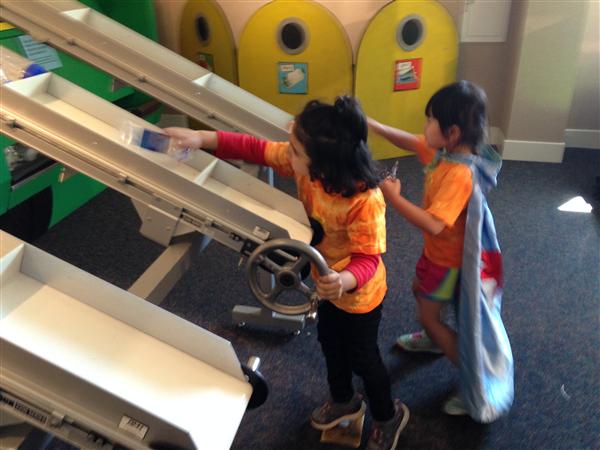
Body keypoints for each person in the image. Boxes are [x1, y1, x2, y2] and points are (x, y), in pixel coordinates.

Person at [164, 96, 409, 450]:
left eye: (294, 150)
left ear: (323, 162)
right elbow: (255, 148)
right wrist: (201, 138)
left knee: (364, 359)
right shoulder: (307, 167)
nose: (286, 152)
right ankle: (343, 401)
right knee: (330, 346)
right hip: (326, 288)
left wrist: (343, 281)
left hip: (360, 298)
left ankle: (388, 416)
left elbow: (368, 260)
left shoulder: (364, 200)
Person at [369, 80, 509, 417]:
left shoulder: (459, 174)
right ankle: (435, 340)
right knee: (419, 288)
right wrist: (372, 125)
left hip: (445, 262)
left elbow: (434, 223)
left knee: (429, 318)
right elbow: (408, 140)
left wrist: (394, 198)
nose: (425, 126)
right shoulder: (445, 154)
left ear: (452, 132)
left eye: (431, 120)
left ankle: (474, 378)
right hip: (436, 255)